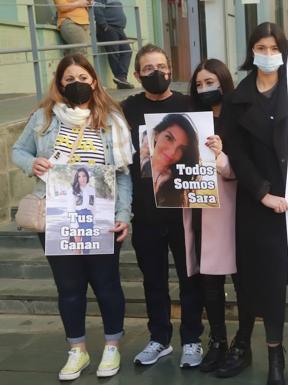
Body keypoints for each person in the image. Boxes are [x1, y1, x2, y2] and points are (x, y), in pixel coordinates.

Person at [11, 53, 133, 381]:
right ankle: (76, 350)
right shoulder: (43, 117)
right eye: (69, 80)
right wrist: (30, 164)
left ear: (94, 81)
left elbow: (122, 174)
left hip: (101, 215)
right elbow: (18, 150)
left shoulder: (110, 119)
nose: (75, 84)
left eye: (82, 78)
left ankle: (112, 346)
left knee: (106, 284)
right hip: (57, 215)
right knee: (69, 287)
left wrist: (124, 214)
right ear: (60, 84)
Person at [221, 22, 288, 385]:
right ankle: (274, 354)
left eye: (275, 48)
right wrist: (263, 193)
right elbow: (236, 154)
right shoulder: (237, 98)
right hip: (259, 206)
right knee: (268, 285)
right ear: (251, 51)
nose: (268, 54)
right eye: (262, 47)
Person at [121, 44, 205, 368]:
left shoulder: (189, 105)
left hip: (185, 214)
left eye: (161, 66)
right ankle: (159, 338)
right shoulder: (127, 109)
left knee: (190, 279)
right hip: (145, 216)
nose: (156, 73)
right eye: (148, 68)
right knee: (153, 280)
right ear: (137, 74)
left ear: (170, 69)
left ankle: (192, 340)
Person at [183, 58, 238, 373]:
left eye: (210, 82)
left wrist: (220, 155)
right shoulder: (190, 122)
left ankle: (239, 344)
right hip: (200, 211)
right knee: (209, 284)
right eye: (200, 84)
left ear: (224, 82)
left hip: (233, 213)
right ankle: (218, 340)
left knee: (240, 282)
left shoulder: (237, 119)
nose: (205, 89)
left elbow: (240, 170)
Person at [143, 113, 200, 207]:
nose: (172, 152)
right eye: (169, 138)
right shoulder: (140, 163)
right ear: (156, 135)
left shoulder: (176, 185)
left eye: (181, 148)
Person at [93, 0, 134, 89]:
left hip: (119, 29)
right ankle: (120, 78)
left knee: (127, 51)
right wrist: (105, 26)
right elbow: (96, 9)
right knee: (114, 52)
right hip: (109, 28)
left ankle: (121, 78)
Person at [71, 167, 97, 253]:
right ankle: (77, 265)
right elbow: (70, 208)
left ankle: (87, 263)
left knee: (87, 245)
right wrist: (74, 224)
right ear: (76, 178)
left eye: (84, 176)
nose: (82, 179)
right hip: (77, 217)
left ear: (87, 177)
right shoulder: (73, 190)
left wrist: (93, 221)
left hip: (88, 218)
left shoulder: (91, 190)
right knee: (77, 247)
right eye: (79, 176)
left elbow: (93, 206)